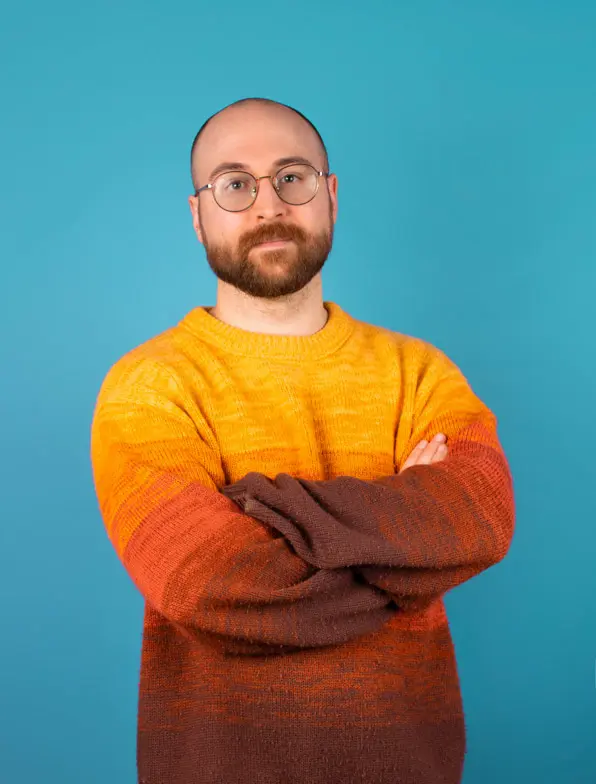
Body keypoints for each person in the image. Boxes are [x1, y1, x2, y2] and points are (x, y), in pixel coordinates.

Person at [90, 97, 515, 784]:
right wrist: (408, 542)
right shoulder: (147, 386)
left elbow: (482, 517)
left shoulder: (420, 372)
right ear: (198, 216)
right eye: (234, 183)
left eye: (293, 176)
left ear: (331, 196)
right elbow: (205, 583)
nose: (269, 205)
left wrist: (261, 507)